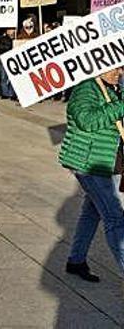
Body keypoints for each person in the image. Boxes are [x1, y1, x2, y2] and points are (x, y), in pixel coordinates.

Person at [59, 68, 124, 281]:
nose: (119, 72)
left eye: (122, 67)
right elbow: (86, 121)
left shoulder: (112, 88)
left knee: (92, 212)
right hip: (89, 164)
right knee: (115, 218)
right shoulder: (85, 88)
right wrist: (120, 105)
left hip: (108, 163)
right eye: (114, 68)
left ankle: (76, 260)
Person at [0, 28, 16, 100]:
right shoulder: (3, 39)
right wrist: (10, 47)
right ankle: (5, 93)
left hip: (13, 60)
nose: (12, 31)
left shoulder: (17, 38)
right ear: (7, 31)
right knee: (3, 77)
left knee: (12, 77)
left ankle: (12, 93)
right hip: (4, 60)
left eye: (13, 30)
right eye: (10, 30)